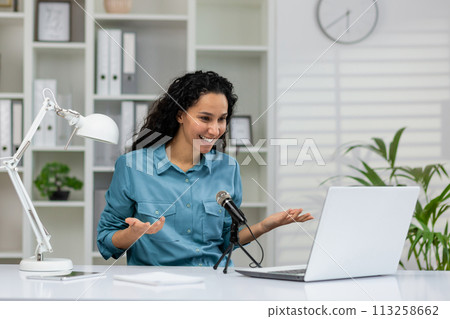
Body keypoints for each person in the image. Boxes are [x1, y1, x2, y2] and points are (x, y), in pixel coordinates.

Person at [97, 70, 313, 266]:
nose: (215, 129)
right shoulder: (132, 167)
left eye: (222, 119)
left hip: (215, 285)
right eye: (205, 118)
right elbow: (106, 239)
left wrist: (265, 226)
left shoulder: (228, 169)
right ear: (180, 115)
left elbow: (227, 239)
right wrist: (133, 233)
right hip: (157, 290)